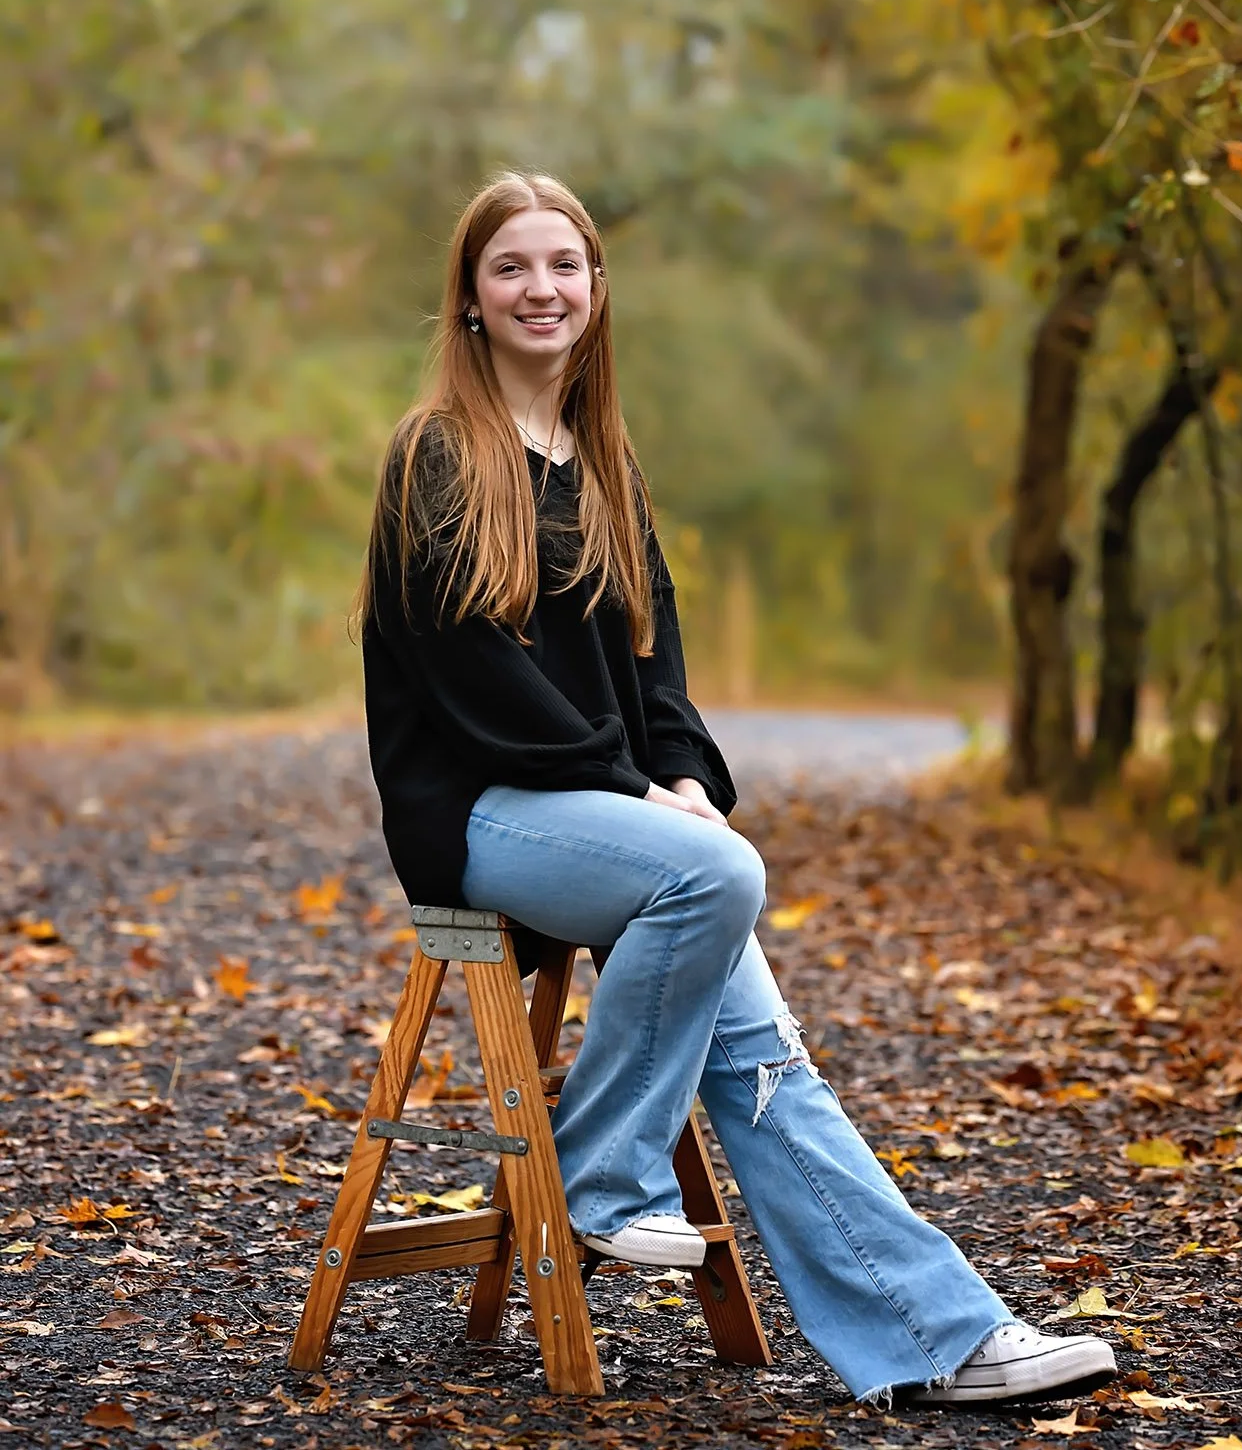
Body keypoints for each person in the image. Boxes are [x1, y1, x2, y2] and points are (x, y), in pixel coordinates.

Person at [359, 170, 1117, 1410]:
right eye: (512, 267)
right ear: (471, 300)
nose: (541, 287)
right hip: (482, 820)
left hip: (609, 822)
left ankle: (941, 1334)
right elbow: (472, 680)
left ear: (600, 290)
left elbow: (662, 678)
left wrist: (689, 780)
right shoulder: (436, 458)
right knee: (711, 874)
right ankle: (604, 1183)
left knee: (764, 1050)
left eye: (565, 264)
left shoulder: (606, 466)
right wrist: (637, 795)